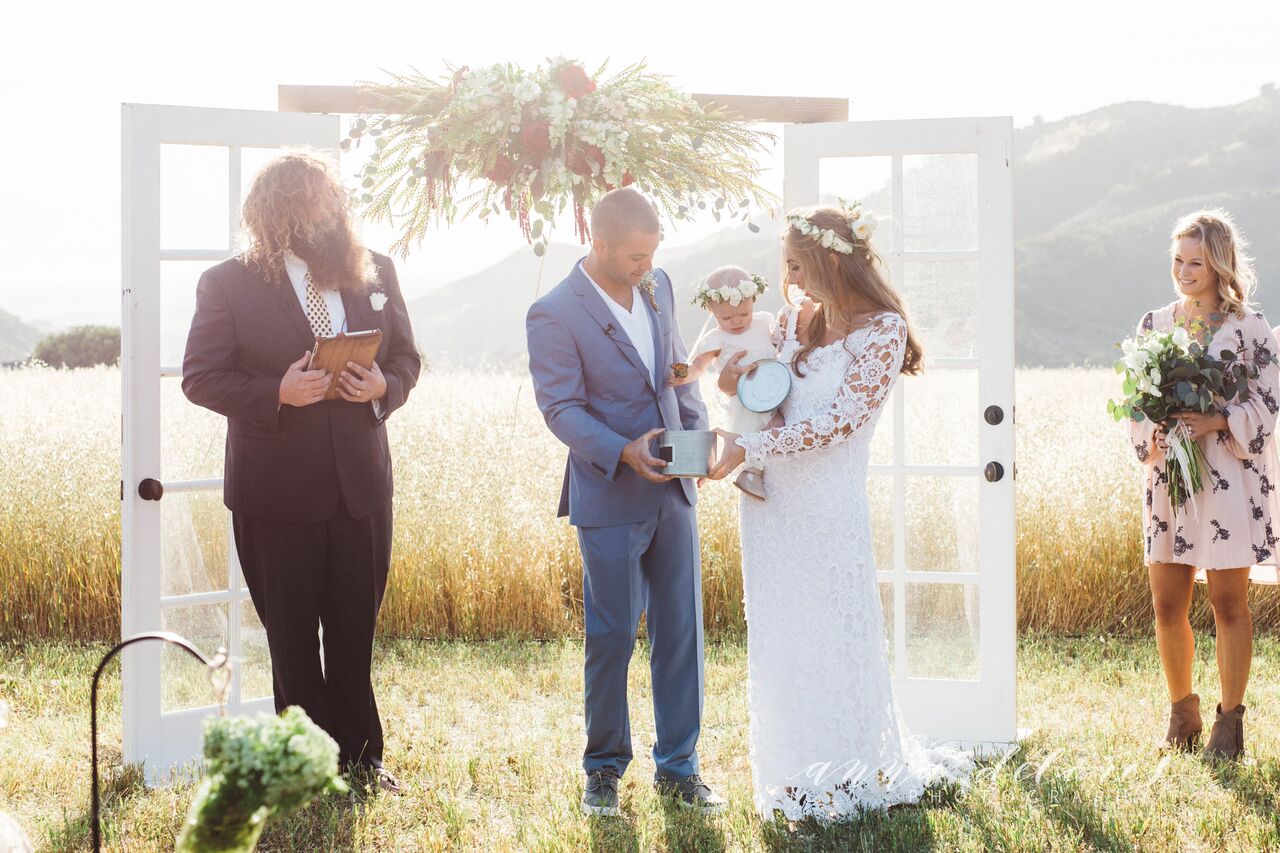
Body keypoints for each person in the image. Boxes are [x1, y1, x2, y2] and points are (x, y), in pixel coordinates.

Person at [709, 202, 973, 820]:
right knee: (783, 636)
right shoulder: (793, 321)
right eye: (787, 268)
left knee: (832, 631)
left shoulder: (883, 330)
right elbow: (767, 397)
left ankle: (849, 773)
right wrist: (733, 393)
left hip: (828, 505)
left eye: (799, 266)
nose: (791, 281)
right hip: (773, 506)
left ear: (831, 258)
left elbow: (842, 422)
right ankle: (791, 777)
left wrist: (754, 444)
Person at [182, 150, 421, 793]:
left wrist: (381, 386)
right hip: (275, 495)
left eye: (332, 201)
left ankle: (364, 759)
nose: (329, 214)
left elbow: (406, 361)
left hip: (363, 490)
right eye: (314, 203)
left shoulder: (378, 271)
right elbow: (200, 378)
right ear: (278, 212)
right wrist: (276, 393)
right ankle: (307, 767)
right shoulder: (228, 283)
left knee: (354, 632)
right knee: (290, 637)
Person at [525, 187, 724, 816]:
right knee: (611, 637)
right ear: (599, 243)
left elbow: (675, 370)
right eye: (635, 257)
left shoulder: (660, 285)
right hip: (609, 493)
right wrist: (622, 450)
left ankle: (680, 768)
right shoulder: (553, 312)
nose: (647, 268)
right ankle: (603, 770)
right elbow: (560, 408)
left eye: (652, 256)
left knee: (681, 633)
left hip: (676, 492)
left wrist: (700, 445)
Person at [1127, 208, 1278, 761]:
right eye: (1178, 260)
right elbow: (1134, 404)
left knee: (1227, 601)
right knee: (1167, 603)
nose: (1184, 271)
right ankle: (1182, 713)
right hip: (1170, 482)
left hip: (1228, 484)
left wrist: (1218, 421)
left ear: (1218, 265)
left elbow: (1269, 402)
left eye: (1196, 262)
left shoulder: (1249, 328)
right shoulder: (1153, 325)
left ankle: (1230, 723)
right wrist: (1155, 429)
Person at [668, 265, 776, 500]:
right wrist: (684, 375)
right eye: (726, 317)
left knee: (777, 429)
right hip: (746, 400)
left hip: (777, 391)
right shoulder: (715, 339)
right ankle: (749, 474)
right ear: (710, 309)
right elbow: (698, 366)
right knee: (748, 434)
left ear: (754, 302)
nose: (737, 321)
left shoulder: (764, 322)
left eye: (744, 313)